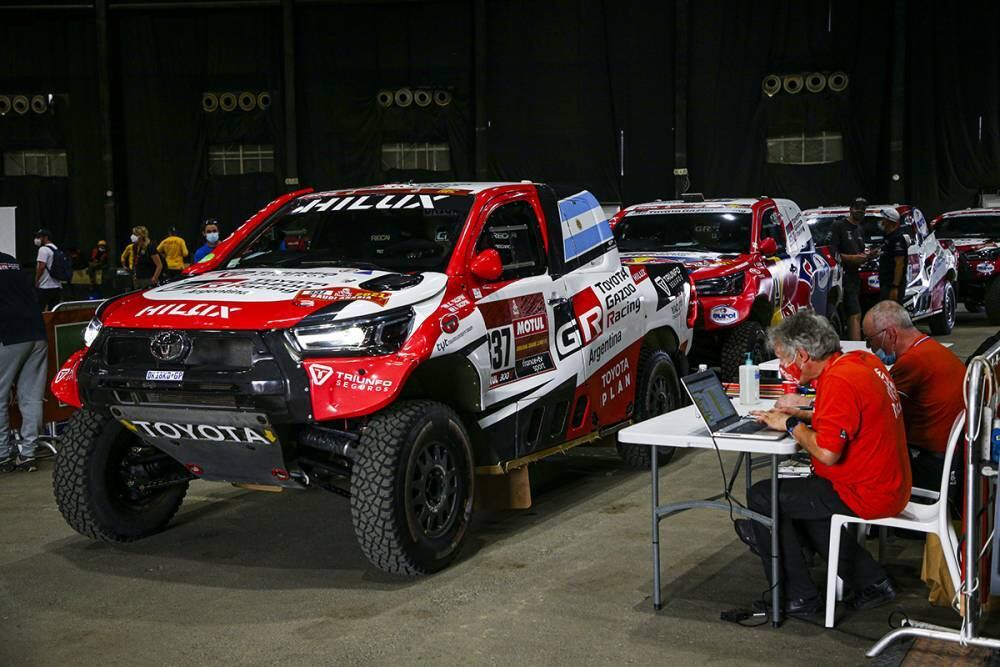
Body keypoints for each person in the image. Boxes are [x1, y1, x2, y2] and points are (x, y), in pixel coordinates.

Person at [736, 311, 909, 616]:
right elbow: (846, 418)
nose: (782, 368)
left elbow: (828, 453)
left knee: (763, 496)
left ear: (802, 355)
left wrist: (790, 423)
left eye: (783, 359)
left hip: (864, 490)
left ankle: (797, 596)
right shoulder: (861, 362)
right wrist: (804, 416)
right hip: (887, 481)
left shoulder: (839, 380)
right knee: (803, 500)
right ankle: (872, 581)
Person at [863, 300, 965, 496]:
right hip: (951, 457)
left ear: (891, 334)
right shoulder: (932, 349)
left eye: (870, 340)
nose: (870, 347)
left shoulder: (912, 362)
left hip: (930, 464)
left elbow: (876, 410)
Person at [0, 250, 47, 472]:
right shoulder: (9, 260)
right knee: (31, 397)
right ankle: (28, 454)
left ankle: (2, 455)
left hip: (8, 335)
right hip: (37, 333)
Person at [829, 198, 876, 340]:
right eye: (857, 207)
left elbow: (861, 251)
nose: (860, 211)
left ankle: (854, 344)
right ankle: (856, 348)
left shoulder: (859, 229)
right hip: (841, 276)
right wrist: (852, 258)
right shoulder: (839, 226)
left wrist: (868, 255)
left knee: (856, 313)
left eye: (863, 208)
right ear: (850, 209)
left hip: (856, 276)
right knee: (854, 313)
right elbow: (832, 252)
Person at [878, 207, 908, 305]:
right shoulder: (887, 237)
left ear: (890, 222)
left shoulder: (897, 239)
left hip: (892, 284)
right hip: (885, 282)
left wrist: (895, 287)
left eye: (884, 220)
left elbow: (899, 263)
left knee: (892, 312)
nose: (881, 222)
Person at [33, 228, 62, 311]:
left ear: (45, 238)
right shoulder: (56, 249)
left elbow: (42, 266)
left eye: (39, 237)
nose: (37, 239)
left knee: (40, 311)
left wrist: (36, 280)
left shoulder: (43, 249)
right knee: (52, 313)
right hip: (57, 286)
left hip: (45, 287)